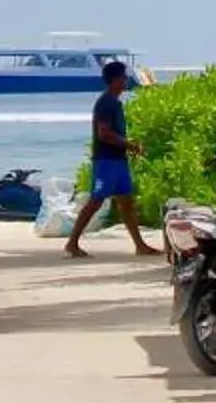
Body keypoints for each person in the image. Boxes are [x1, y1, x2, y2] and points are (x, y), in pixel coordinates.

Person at [64, 60, 157, 257]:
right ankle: (72, 243)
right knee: (96, 202)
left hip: (117, 160)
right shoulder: (106, 102)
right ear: (115, 80)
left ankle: (140, 245)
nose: (126, 80)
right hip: (106, 161)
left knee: (126, 203)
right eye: (123, 77)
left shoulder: (114, 102)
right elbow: (104, 134)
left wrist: (126, 144)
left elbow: (111, 133)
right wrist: (130, 145)